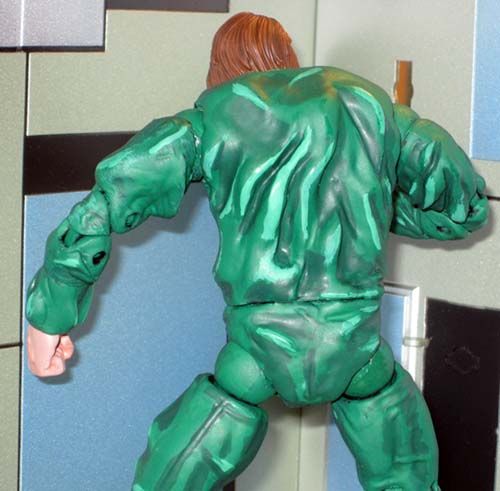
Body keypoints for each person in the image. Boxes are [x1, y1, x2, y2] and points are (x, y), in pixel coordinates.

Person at [25, 13, 488, 491]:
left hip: (255, 354)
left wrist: (49, 316)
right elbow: (465, 208)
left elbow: (104, 206)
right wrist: (372, 211)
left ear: (219, 66)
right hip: (357, 348)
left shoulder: (210, 120)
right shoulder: (374, 107)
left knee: (172, 474)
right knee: (407, 474)